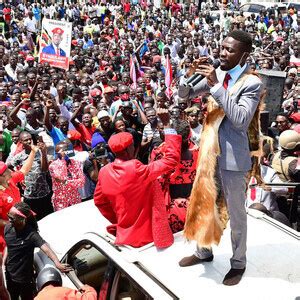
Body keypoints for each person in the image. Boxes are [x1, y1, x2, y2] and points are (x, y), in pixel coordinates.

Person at [178, 30, 263, 286]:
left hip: (233, 160)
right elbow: (184, 95)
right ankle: (204, 251)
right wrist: (189, 75)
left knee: (236, 213)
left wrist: (215, 85)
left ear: (244, 55)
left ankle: (238, 262)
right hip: (209, 154)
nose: (223, 53)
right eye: (222, 48)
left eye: (230, 50)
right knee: (205, 203)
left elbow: (238, 121)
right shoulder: (219, 74)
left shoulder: (251, 83)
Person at [94, 109, 182, 248]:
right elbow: (171, 160)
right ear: (129, 148)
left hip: (124, 237)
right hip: (149, 238)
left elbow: (100, 202)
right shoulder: (136, 168)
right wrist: (167, 125)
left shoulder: (104, 172)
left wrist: (120, 219)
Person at [4, 202, 72, 300]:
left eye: (12, 218)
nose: (9, 220)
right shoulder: (8, 228)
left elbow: (46, 248)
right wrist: (3, 263)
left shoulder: (32, 235)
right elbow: (8, 245)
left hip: (25, 279)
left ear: (22, 219)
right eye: (8, 216)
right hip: (10, 275)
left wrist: (57, 263)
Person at [0, 144, 39, 254]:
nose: (9, 170)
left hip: (24, 225)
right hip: (10, 235)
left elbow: (24, 170)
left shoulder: (10, 180)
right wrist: (12, 223)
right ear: (1, 177)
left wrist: (33, 152)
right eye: (6, 170)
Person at [49, 141, 85, 211]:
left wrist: (66, 182)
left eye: (67, 150)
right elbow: (59, 177)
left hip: (75, 200)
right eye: (64, 151)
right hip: (61, 202)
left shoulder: (76, 163)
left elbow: (81, 182)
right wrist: (64, 161)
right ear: (57, 153)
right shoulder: (53, 166)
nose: (66, 152)